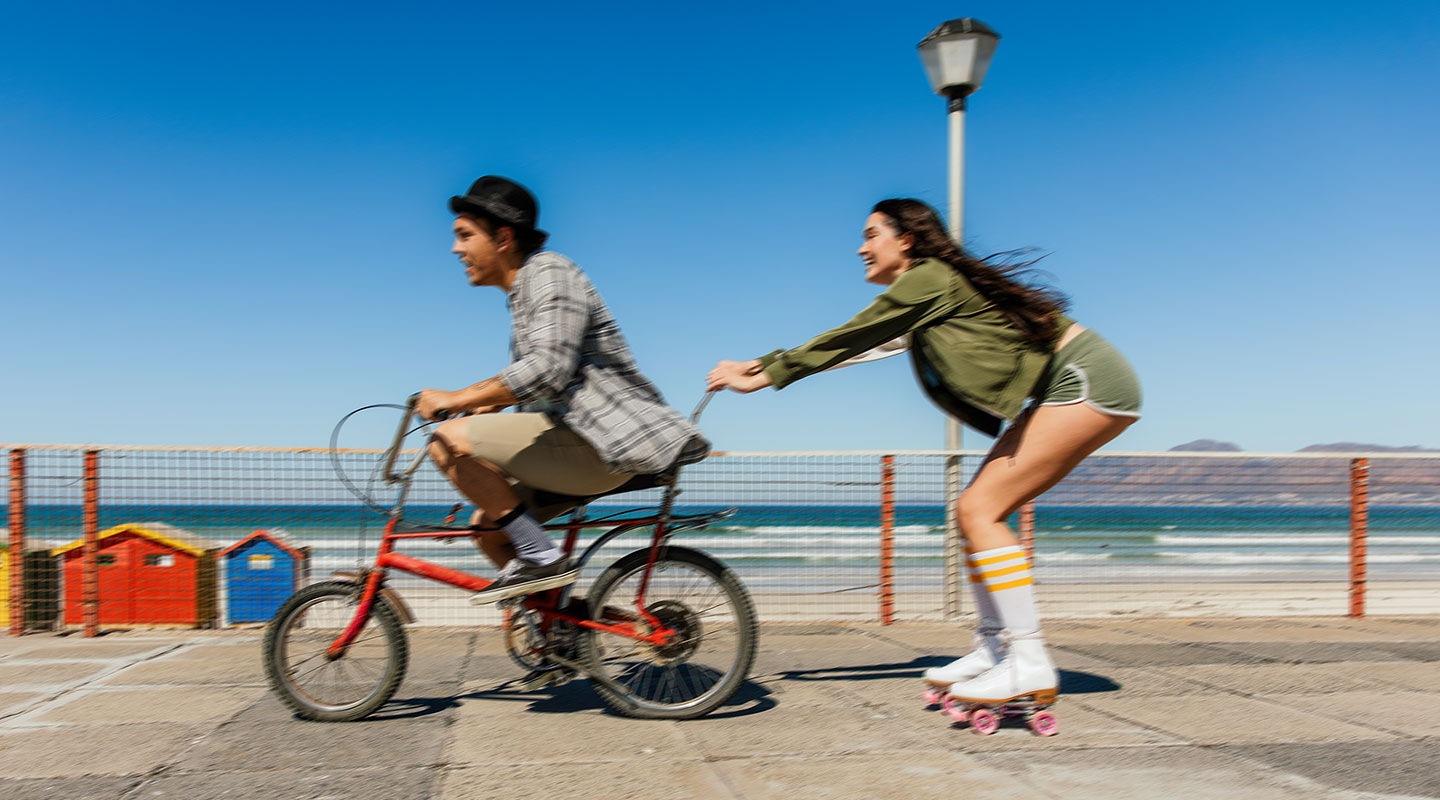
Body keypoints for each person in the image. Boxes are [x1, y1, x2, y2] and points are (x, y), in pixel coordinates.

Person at [706, 197, 1140, 707]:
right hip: (1076, 381)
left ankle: (1028, 661)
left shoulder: (928, 276)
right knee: (973, 511)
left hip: (1085, 378)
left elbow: (853, 333)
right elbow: (863, 347)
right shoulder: (930, 290)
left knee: (981, 509)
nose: (861, 247)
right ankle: (993, 648)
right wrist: (760, 367)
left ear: (905, 239)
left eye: (871, 235)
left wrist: (764, 376)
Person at [419, 176, 709, 604]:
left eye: (464, 235)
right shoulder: (522, 295)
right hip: (574, 442)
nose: (455, 249)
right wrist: (486, 407)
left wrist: (457, 399)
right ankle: (560, 632)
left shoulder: (550, 272)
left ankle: (541, 556)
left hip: (602, 442)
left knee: (445, 442)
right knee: (489, 531)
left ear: (503, 237)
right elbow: (536, 379)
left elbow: (547, 370)